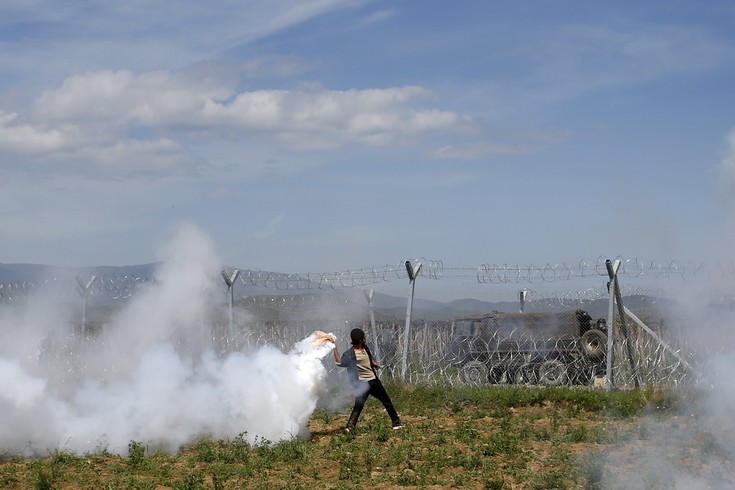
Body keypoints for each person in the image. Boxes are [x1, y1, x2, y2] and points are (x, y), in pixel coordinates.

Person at [332, 327, 402, 432]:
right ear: (360, 340)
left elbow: (368, 358)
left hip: (373, 381)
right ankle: (349, 427)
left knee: (386, 400)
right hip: (362, 384)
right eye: (364, 337)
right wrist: (334, 349)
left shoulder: (365, 348)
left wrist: (374, 363)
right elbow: (340, 363)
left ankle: (396, 423)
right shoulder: (350, 354)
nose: (365, 338)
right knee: (358, 405)